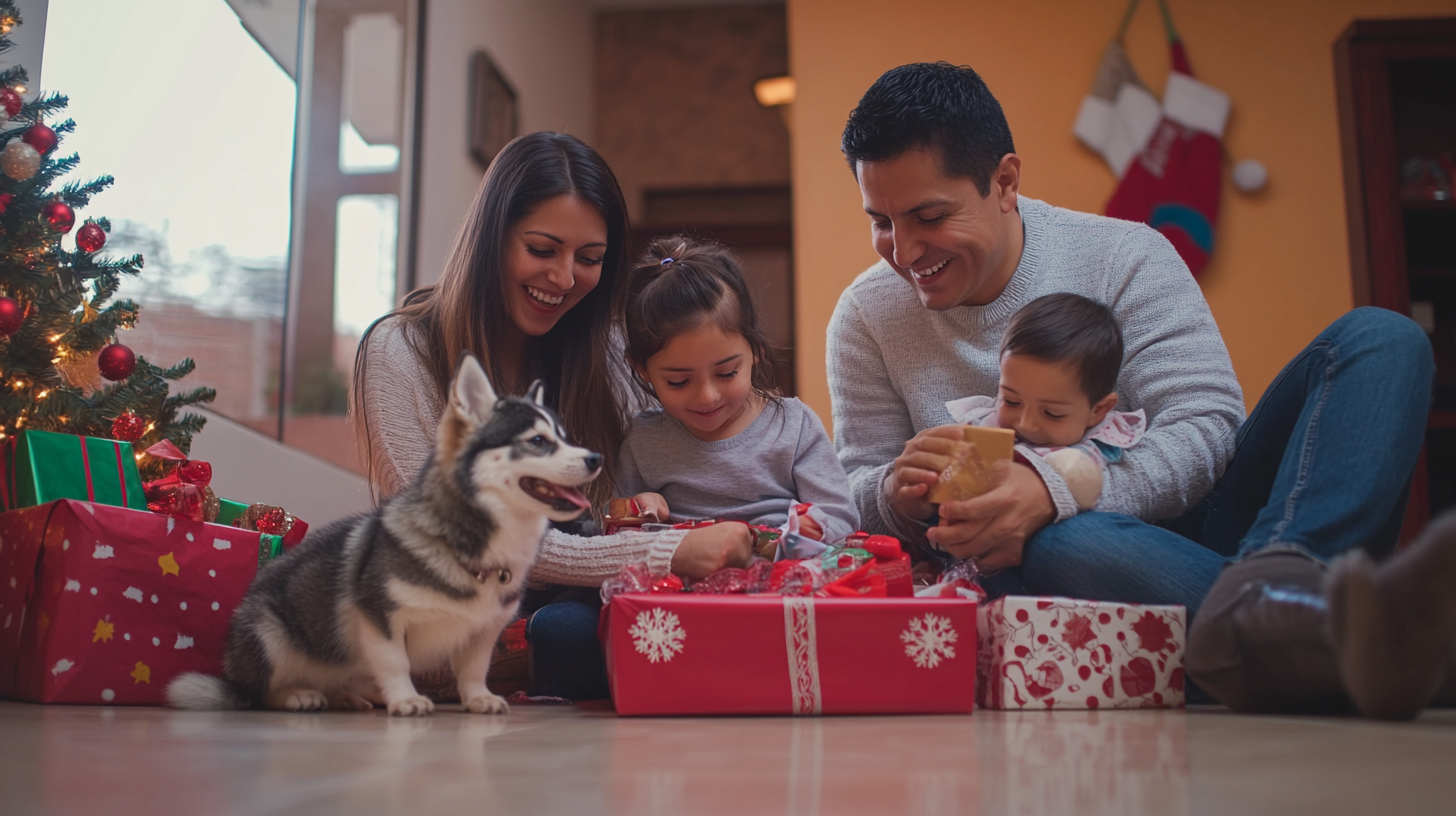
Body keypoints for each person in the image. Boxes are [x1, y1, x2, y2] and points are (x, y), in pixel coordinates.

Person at [828, 61, 1455, 718]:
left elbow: (1208, 426)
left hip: (1214, 535)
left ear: (1005, 181)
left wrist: (1055, 490)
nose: (903, 250)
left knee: (1381, 339)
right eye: (881, 221)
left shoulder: (1126, 254)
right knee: (1063, 543)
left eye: (928, 215)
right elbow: (858, 496)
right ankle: (1336, 643)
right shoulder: (865, 317)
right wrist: (897, 496)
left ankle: (1282, 600)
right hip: (1075, 563)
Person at [351, 132, 752, 700]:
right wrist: (658, 549)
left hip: (584, 602)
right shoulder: (401, 350)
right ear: (492, 239)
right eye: (542, 250)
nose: (564, 279)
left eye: (589, 259)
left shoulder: (610, 352)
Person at [612, 237, 859, 545]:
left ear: (756, 351)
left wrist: (816, 526)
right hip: (684, 587)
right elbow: (615, 531)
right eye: (679, 382)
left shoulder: (794, 427)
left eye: (727, 373)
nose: (707, 396)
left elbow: (841, 514)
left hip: (781, 582)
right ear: (642, 369)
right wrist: (638, 509)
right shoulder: (643, 441)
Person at [944, 292, 1146, 510]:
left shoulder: (1094, 446)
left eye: (1052, 413)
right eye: (1011, 401)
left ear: (1098, 410)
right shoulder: (986, 426)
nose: (1025, 424)